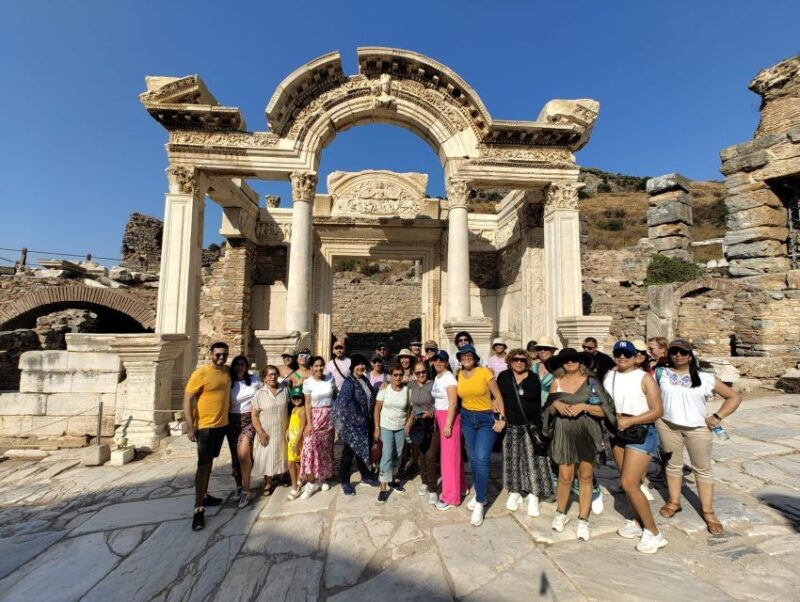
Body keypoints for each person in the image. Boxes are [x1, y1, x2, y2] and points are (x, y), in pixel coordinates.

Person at [655, 339, 742, 535]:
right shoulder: (661, 374)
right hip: (667, 425)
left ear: (690, 355)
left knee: (702, 469)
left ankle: (708, 512)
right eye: (674, 352)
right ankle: (674, 501)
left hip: (697, 429)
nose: (678, 356)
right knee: (673, 465)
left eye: (683, 352)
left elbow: (734, 397)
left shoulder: (705, 377)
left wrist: (717, 417)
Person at [543, 348, 616, 541]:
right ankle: (561, 513)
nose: (570, 362)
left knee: (585, 476)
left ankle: (583, 519)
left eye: (574, 359)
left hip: (587, 432)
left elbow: (607, 410)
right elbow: (547, 411)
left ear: (581, 361)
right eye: (566, 360)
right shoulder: (556, 382)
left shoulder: (592, 382)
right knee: (565, 476)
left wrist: (584, 406)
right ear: (561, 363)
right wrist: (554, 406)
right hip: (563, 432)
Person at [605, 341, 668, 553]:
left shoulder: (645, 378)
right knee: (628, 482)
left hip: (640, 431)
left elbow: (657, 410)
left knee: (629, 482)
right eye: (618, 353)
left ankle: (654, 533)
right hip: (617, 431)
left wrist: (630, 421)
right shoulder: (610, 375)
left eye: (626, 354)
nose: (622, 357)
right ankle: (636, 521)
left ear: (635, 356)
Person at [497, 348, 553, 517]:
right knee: (512, 458)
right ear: (510, 361)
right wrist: (499, 415)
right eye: (515, 359)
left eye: (522, 359)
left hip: (531, 425)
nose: (519, 362)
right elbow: (497, 398)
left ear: (527, 362)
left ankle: (534, 494)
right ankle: (514, 491)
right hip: (511, 424)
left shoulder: (534, 379)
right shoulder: (504, 377)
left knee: (533, 460)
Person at [184, 342, 232, 531]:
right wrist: (190, 426)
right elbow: (188, 398)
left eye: (224, 354)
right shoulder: (201, 373)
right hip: (205, 426)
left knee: (210, 461)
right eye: (218, 354)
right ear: (210, 353)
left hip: (222, 425)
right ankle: (198, 509)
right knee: (203, 465)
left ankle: (204, 495)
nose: (221, 357)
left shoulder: (227, 371)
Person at [457, 344, 506, 526]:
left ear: (475, 357)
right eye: (463, 355)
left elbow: (498, 396)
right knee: (473, 458)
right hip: (467, 418)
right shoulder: (458, 374)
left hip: (486, 418)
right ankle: (480, 492)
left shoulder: (485, 372)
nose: (466, 357)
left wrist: (501, 418)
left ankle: (480, 501)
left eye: (469, 354)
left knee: (481, 458)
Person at [334, 354, 380, 495]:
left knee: (364, 450)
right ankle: (345, 481)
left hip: (366, 423)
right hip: (353, 425)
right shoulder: (349, 382)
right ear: (353, 367)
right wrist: (357, 419)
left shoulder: (365, 380)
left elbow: (370, 397)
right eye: (358, 364)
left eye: (362, 365)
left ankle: (365, 476)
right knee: (349, 453)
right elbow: (343, 405)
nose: (361, 367)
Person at [430, 350, 465, 510]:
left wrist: (448, 425)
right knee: (452, 457)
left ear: (446, 362)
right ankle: (461, 487)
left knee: (448, 460)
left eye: (441, 360)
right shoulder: (438, 377)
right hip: (440, 416)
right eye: (435, 360)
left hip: (448, 418)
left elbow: (453, 403)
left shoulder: (449, 378)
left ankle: (451, 497)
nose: (438, 362)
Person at [374, 364, 412, 503]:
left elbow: (410, 409)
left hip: (400, 427)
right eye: (395, 375)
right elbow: (377, 409)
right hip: (386, 426)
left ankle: (392, 480)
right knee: (387, 455)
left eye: (400, 375)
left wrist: (408, 422)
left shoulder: (407, 391)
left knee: (398, 455)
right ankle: (383, 488)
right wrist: (377, 428)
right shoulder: (385, 389)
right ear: (390, 376)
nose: (397, 377)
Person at [228, 355, 262, 508]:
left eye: (243, 364)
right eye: (237, 364)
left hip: (248, 420)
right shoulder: (228, 382)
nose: (240, 367)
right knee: (236, 456)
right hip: (232, 421)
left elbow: (265, 390)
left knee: (243, 454)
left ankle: (247, 490)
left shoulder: (254, 380)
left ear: (247, 366)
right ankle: (239, 486)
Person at [251, 365, 289, 502]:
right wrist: (260, 431)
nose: (273, 377)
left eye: (275, 374)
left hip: (282, 427)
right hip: (267, 430)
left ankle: (281, 475)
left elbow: (289, 407)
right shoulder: (259, 394)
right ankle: (267, 482)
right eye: (270, 375)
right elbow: (254, 415)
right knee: (267, 455)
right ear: (265, 378)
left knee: (281, 452)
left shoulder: (284, 389)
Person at [300, 356, 336, 499]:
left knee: (325, 449)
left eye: (321, 365)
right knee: (309, 448)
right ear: (311, 368)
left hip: (329, 417)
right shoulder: (308, 382)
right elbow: (307, 403)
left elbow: (334, 397)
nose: (318, 368)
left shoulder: (330, 379)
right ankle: (310, 483)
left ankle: (321, 478)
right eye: (315, 366)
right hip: (314, 418)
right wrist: (309, 423)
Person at [408, 361, 439, 504]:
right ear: (414, 374)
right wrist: (384, 384)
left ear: (427, 372)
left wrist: (431, 413)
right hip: (418, 426)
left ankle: (433, 489)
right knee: (421, 454)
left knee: (430, 456)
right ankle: (424, 481)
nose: (421, 375)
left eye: (423, 372)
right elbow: (396, 380)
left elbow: (440, 403)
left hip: (431, 424)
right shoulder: (412, 385)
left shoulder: (433, 384)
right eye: (418, 372)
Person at [285, 386, 306, 500]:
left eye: (299, 397)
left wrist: (297, 441)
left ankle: (294, 487)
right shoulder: (294, 409)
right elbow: (292, 422)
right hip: (291, 441)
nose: (297, 400)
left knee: (291, 463)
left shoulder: (302, 410)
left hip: (296, 441)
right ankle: (298, 480)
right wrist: (288, 429)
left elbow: (302, 426)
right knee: (296, 462)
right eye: (294, 398)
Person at [531, 337, 558, 406]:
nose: (542, 351)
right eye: (539, 349)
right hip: (534, 405)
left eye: (546, 348)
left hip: (551, 405)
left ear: (553, 351)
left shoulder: (558, 368)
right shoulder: (532, 367)